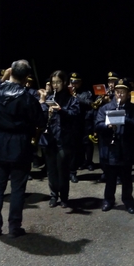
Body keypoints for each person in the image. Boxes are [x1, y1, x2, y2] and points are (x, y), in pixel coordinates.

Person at [0, 59, 45, 238]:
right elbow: (40, 121)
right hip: (20, 147)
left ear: (11, 73)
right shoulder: (28, 97)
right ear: (27, 77)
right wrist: (42, 102)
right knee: (18, 189)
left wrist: (3, 79)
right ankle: (14, 227)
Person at [95, 78, 134, 214]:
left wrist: (124, 120)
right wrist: (107, 125)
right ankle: (108, 201)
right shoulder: (105, 108)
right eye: (117, 92)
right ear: (114, 93)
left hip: (126, 148)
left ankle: (128, 201)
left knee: (127, 179)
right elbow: (97, 125)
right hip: (110, 149)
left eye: (123, 92)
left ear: (128, 94)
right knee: (110, 179)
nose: (120, 95)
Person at [39, 70, 80, 208]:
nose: (55, 85)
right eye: (53, 82)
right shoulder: (50, 97)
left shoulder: (71, 99)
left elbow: (75, 115)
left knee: (62, 169)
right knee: (51, 169)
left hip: (64, 139)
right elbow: (40, 117)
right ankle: (53, 195)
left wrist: (60, 110)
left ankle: (64, 197)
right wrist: (45, 107)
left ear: (64, 83)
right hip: (50, 138)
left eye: (58, 82)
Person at [69, 72, 95, 180]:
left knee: (87, 142)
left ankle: (89, 162)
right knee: (76, 144)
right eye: (72, 82)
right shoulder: (68, 92)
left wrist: (76, 97)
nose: (74, 84)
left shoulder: (86, 92)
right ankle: (78, 164)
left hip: (85, 120)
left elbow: (90, 102)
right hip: (74, 121)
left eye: (76, 82)